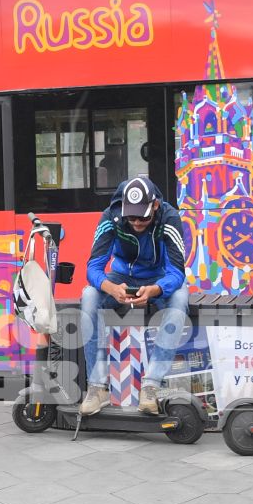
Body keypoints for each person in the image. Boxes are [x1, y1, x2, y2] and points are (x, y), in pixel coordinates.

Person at [77, 174, 190, 417]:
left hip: (158, 279)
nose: (137, 222)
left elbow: (176, 272)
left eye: (144, 217)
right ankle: (97, 388)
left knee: (180, 297)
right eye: (132, 217)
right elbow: (93, 267)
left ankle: (151, 385)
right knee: (89, 296)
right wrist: (110, 288)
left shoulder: (169, 217)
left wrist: (156, 290)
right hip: (120, 278)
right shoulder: (111, 216)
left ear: (156, 206)